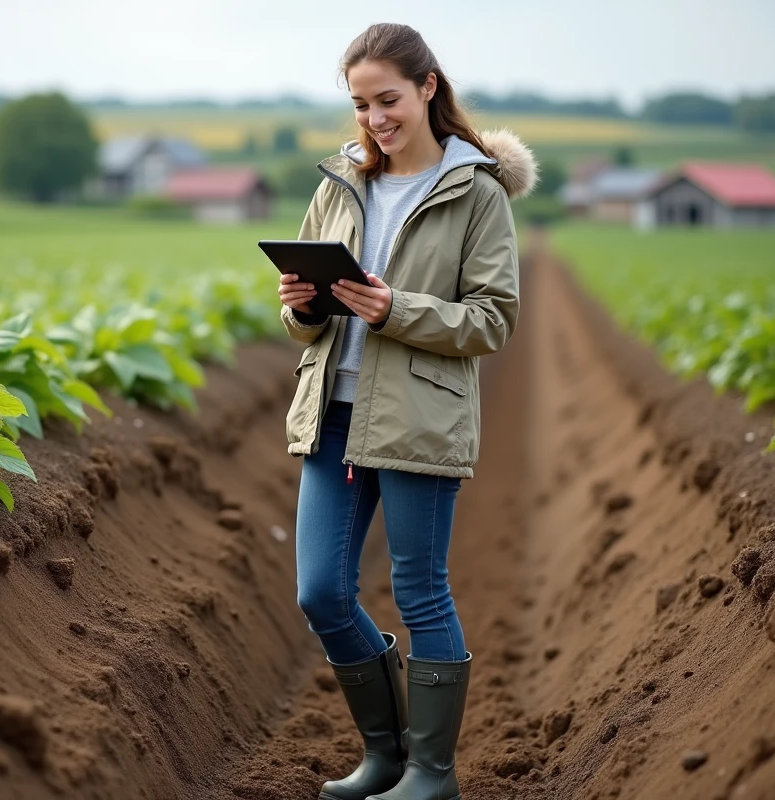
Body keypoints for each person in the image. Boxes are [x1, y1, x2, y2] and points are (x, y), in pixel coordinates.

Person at [277, 22, 537, 800]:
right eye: (360, 104)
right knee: (321, 592)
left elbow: (493, 319)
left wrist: (396, 311)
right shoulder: (337, 186)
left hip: (419, 417)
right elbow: (302, 320)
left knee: (420, 590)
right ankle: (386, 757)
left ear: (427, 88)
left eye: (387, 99)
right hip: (333, 417)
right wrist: (302, 306)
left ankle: (433, 772)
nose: (374, 118)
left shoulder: (476, 193)